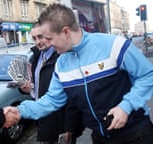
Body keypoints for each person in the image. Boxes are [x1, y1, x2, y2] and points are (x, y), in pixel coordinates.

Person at [11, 3, 153, 144]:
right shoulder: (61, 64)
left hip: (136, 133)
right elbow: (51, 100)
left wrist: (126, 106)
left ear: (65, 32)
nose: (47, 44)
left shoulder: (114, 45)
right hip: (100, 137)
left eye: (49, 38)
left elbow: (147, 74)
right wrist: (18, 111)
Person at [19, 22, 83, 144]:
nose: (38, 41)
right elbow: (38, 86)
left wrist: (70, 128)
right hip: (43, 120)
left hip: (59, 124)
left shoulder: (63, 57)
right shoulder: (37, 57)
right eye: (34, 38)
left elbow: (73, 95)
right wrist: (28, 89)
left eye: (40, 36)